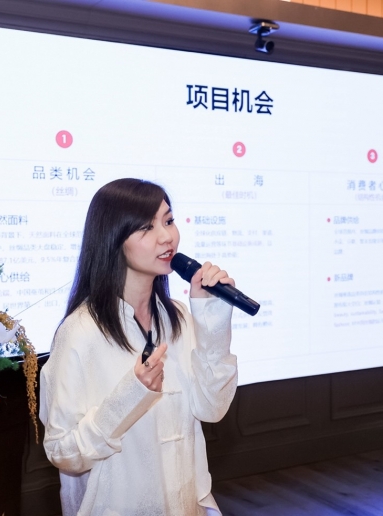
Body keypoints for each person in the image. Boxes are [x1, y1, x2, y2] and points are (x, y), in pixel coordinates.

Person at [39, 178, 238, 515]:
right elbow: (63, 452)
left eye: (169, 221)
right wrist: (131, 394)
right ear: (113, 239)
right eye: (147, 227)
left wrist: (212, 321)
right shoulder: (80, 332)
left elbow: (212, 408)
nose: (167, 236)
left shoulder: (178, 318)